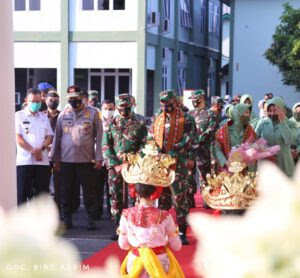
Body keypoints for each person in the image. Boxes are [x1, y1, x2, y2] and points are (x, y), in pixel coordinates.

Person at [118, 142, 184, 277]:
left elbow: (123, 245)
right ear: (157, 191)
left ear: (135, 191)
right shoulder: (165, 216)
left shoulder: (126, 215)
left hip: (135, 261)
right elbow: (177, 246)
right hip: (160, 261)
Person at [50, 86, 103, 230]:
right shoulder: (63, 114)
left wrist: (99, 157)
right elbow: (57, 137)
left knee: (89, 192)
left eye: (76, 98)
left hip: (86, 161)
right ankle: (67, 219)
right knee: (66, 192)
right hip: (67, 161)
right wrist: (55, 158)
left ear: (82, 97)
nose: (73, 101)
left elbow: (99, 138)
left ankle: (91, 219)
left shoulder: (93, 113)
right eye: (70, 99)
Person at [149, 90, 197, 245]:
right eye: (163, 105)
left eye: (169, 104)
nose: (166, 108)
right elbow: (151, 137)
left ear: (175, 102)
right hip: (161, 166)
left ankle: (181, 231)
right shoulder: (157, 118)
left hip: (179, 165)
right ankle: (162, 231)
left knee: (180, 199)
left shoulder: (186, 119)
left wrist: (173, 151)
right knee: (162, 199)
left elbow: (189, 139)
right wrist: (154, 150)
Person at [102, 94, 148, 240]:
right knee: (116, 197)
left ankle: (136, 227)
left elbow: (145, 145)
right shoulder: (112, 123)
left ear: (131, 106)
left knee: (136, 196)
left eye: (127, 108)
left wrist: (134, 161)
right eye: (121, 108)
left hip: (134, 166)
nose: (124, 111)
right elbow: (106, 145)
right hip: (116, 167)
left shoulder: (139, 123)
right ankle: (119, 227)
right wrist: (115, 164)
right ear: (117, 107)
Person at [15, 88, 54, 205]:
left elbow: (49, 136)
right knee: (22, 194)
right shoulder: (19, 116)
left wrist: (41, 149)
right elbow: (18, 138)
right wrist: (33, 151)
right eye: (33, 101)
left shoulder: (43, 117)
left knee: (41, 196)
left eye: (38, 102)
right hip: (24, 162)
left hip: (42, 162)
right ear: (26, 100)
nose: (35, 104)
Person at [255, 97, 297, 177]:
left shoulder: (291, 124)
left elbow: (290, 141)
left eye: (275, 110)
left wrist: (282, 122)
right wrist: (263, 152)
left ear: (282, 110)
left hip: (284, 162)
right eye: (270, 111)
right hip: (266, 163)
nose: (272, 113)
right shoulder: (262, 123)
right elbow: (254, 141)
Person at [188, 90, 219, 190]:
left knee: (205, 175)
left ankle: (206, 197)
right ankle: (189, 198)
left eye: (195, 99)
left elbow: (212, 128)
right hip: (191, 149)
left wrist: (200, 139)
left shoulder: (210, 113)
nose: (193, 102)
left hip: (205, 149)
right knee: (189, 175)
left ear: (201, 99)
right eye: (192, 100)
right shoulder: (190, 114)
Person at [214, 103, 256, 171]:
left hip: (245, 171)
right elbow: (217, 149)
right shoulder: (224, 130)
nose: (249, 116)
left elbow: (253, 150)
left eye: (249, 113)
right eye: (246, 113)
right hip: (227, 171)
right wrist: (226, 163)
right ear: (238, 114)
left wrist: (245, 163)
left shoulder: (250, 131)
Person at [45, 91, 62, 218]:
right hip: (43, 155)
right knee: (44, 184)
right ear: (45, 100)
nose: (53, 101)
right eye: (50, 99)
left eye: (55, 99)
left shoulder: (63, 116)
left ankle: (58, 211)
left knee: (58, 185)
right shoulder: (41, 116)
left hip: (59, 156)